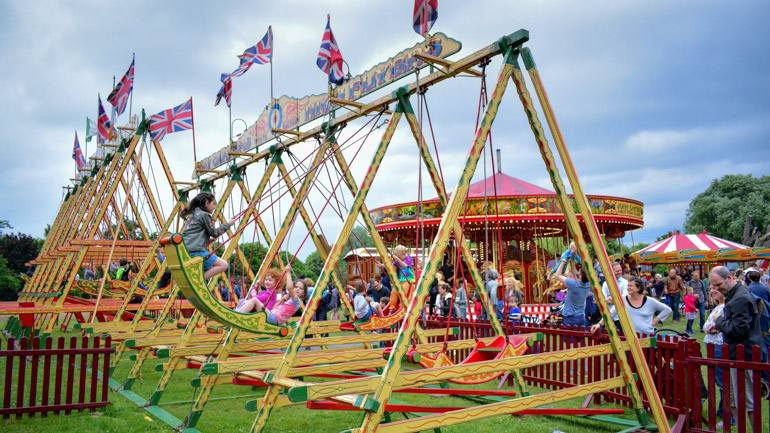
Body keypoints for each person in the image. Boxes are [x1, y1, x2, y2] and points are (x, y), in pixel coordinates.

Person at [709, 265, 762, 427]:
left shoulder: (740, 297)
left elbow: (738, 329)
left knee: (748, 401)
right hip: (734, 354)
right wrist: (721, 325)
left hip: (744, 355)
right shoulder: (733, 295)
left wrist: (719, 320)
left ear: (730, 278)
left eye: (718, 285)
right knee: (733, 399)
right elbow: (735, 324)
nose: (716, 289)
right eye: (713, 286)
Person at [180, 192, 236, 280]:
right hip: (197, 252)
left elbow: (194, 234)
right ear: (206, 203)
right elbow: (215, 233)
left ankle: (196, 277)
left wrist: (208, 239)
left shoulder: (194, 215)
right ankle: (199, 279)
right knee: (223, 265)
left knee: (212, 266)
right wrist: (228, 224)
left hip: (186, 251)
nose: (214, 207)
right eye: (213, 204)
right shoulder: (204, 215)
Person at [591, 277, 671, 335]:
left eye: (631, 286)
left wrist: (655, 320)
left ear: (639, 288)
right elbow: (610, 314)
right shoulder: (623, 300)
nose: (628, 288)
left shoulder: (650, 301)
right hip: (629, 337)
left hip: (647, 336)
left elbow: (667, 310)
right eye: (628, 285)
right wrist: (599, 324)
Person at [703, 284, 732, 426]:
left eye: (716, 289)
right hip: (711, 346)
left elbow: (719, 327)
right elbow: (705, 326)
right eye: (711, 288)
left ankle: (730, 416)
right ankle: (722, 411)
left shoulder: (726, 307)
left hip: (719, 347)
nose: (712, 291)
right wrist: (708, 328)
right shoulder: (717, 307)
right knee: (718, 381)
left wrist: (712, 328)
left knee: (724, 382)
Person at [553, 258, 591, 328]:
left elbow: (557, 275)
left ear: (581, 276)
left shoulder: (573, 284)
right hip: (580, 316)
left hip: (570, 318)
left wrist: (562, 262)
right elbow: (575, 274)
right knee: (579, 337)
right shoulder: (587, 285)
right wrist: (571, 261)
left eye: (579, 273)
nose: (577, 273)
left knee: (568, 338)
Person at [601, 262, 629, 331]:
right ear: (611, 271)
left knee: (621, 337)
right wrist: (618, 297)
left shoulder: (625, 282)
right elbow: (603, 299)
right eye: (617, 271)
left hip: (621, 316)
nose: (619, 272)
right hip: (608, 314)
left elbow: (625, 299)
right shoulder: (606, 283)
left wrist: (611, 298)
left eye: (620, 270)